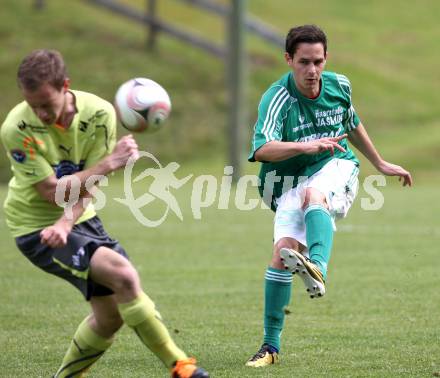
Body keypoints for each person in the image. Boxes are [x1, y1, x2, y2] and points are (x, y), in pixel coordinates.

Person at [0, 49, 209, 378]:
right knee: (124, 276)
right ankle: (180, 366)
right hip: (36, 229)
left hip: (77, 220)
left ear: (65, 86)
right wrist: (110, 162)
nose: (39, 113)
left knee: (110, 318)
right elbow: (53, 193)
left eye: (46, 104)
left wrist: (68, 221)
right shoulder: (17, 128)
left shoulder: (98, 114)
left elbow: (89, 185)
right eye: (32, 105)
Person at [246, 25, 412, 367]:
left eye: (318, 61)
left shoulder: (339, 85)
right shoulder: (278, 97)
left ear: (326, 59)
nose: (312, 70)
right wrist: (303, 146)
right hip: (287, 181)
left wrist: (379, 162)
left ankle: (318, 267)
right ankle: (270, 348)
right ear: (289, 59)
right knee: (282, 254)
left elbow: (350, 121)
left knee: (314, 194)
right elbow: (262, 149)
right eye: (304, 62)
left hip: (337, 165)